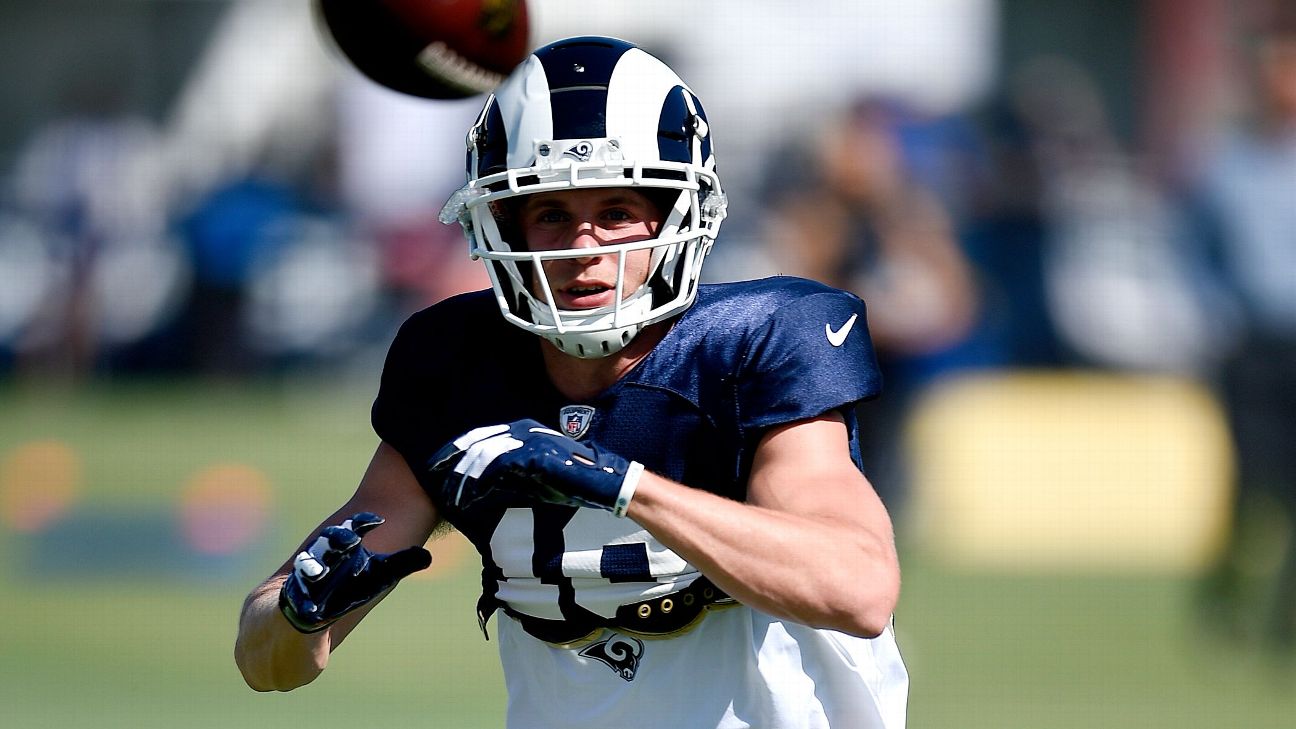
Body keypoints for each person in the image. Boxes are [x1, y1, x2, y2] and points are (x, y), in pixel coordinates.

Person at [234, 36, 908, 728]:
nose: (583, 248)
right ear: (501, 223)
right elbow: (267, 665)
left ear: (678, 216)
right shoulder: (457, 362)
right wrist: (293, 613)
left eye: (616, 212)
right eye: (552, 213)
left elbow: (858, 586)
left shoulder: (752, 344)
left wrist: (619, 484)